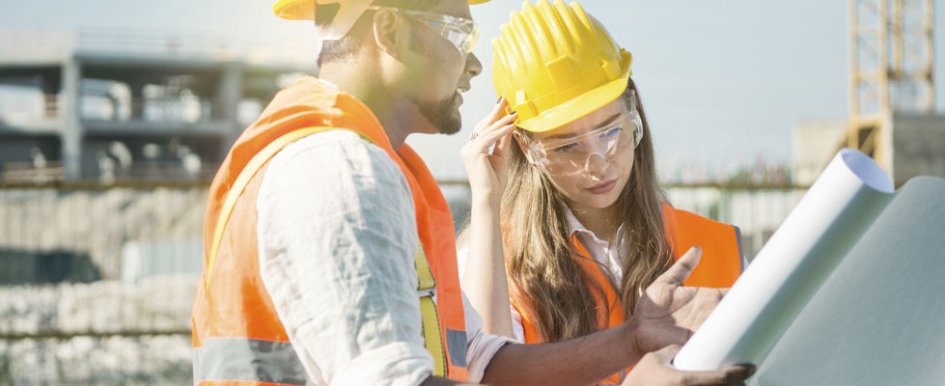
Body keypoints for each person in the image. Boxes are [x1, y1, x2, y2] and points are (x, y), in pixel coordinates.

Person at [190, 0, 753, 385]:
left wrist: (629, 342)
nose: (474, 63)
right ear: (390, 30)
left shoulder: (378, 166)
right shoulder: (338, 169)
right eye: (460, 33)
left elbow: (481, 366)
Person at [459, 0, 746, 384]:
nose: (597, 163)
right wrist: (485, 199)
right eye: (566, 147)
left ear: (634, 113)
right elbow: (488, 372)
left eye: (610, 131)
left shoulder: (718, 244)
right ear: (526, 148)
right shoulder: (493, 263)